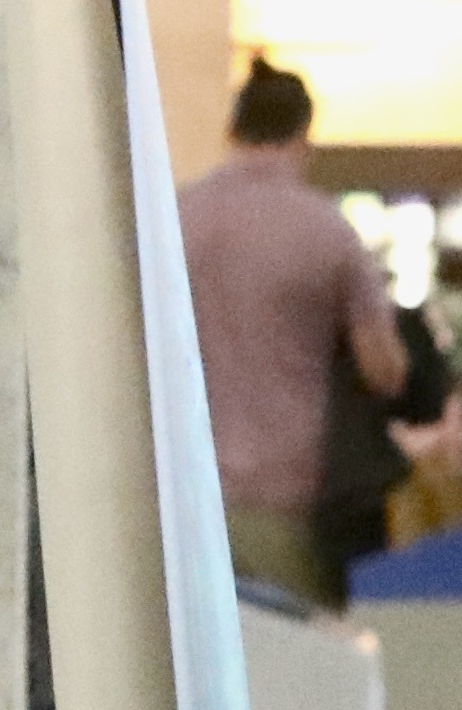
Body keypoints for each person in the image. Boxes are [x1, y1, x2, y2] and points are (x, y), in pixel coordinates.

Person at [174, 59, 407, 610]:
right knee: (292, 672)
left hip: (183, 501)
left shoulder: (176, 219)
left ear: (233, 129)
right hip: (288, 506)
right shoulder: (329, 232)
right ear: (305, 135)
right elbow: (385, 371)